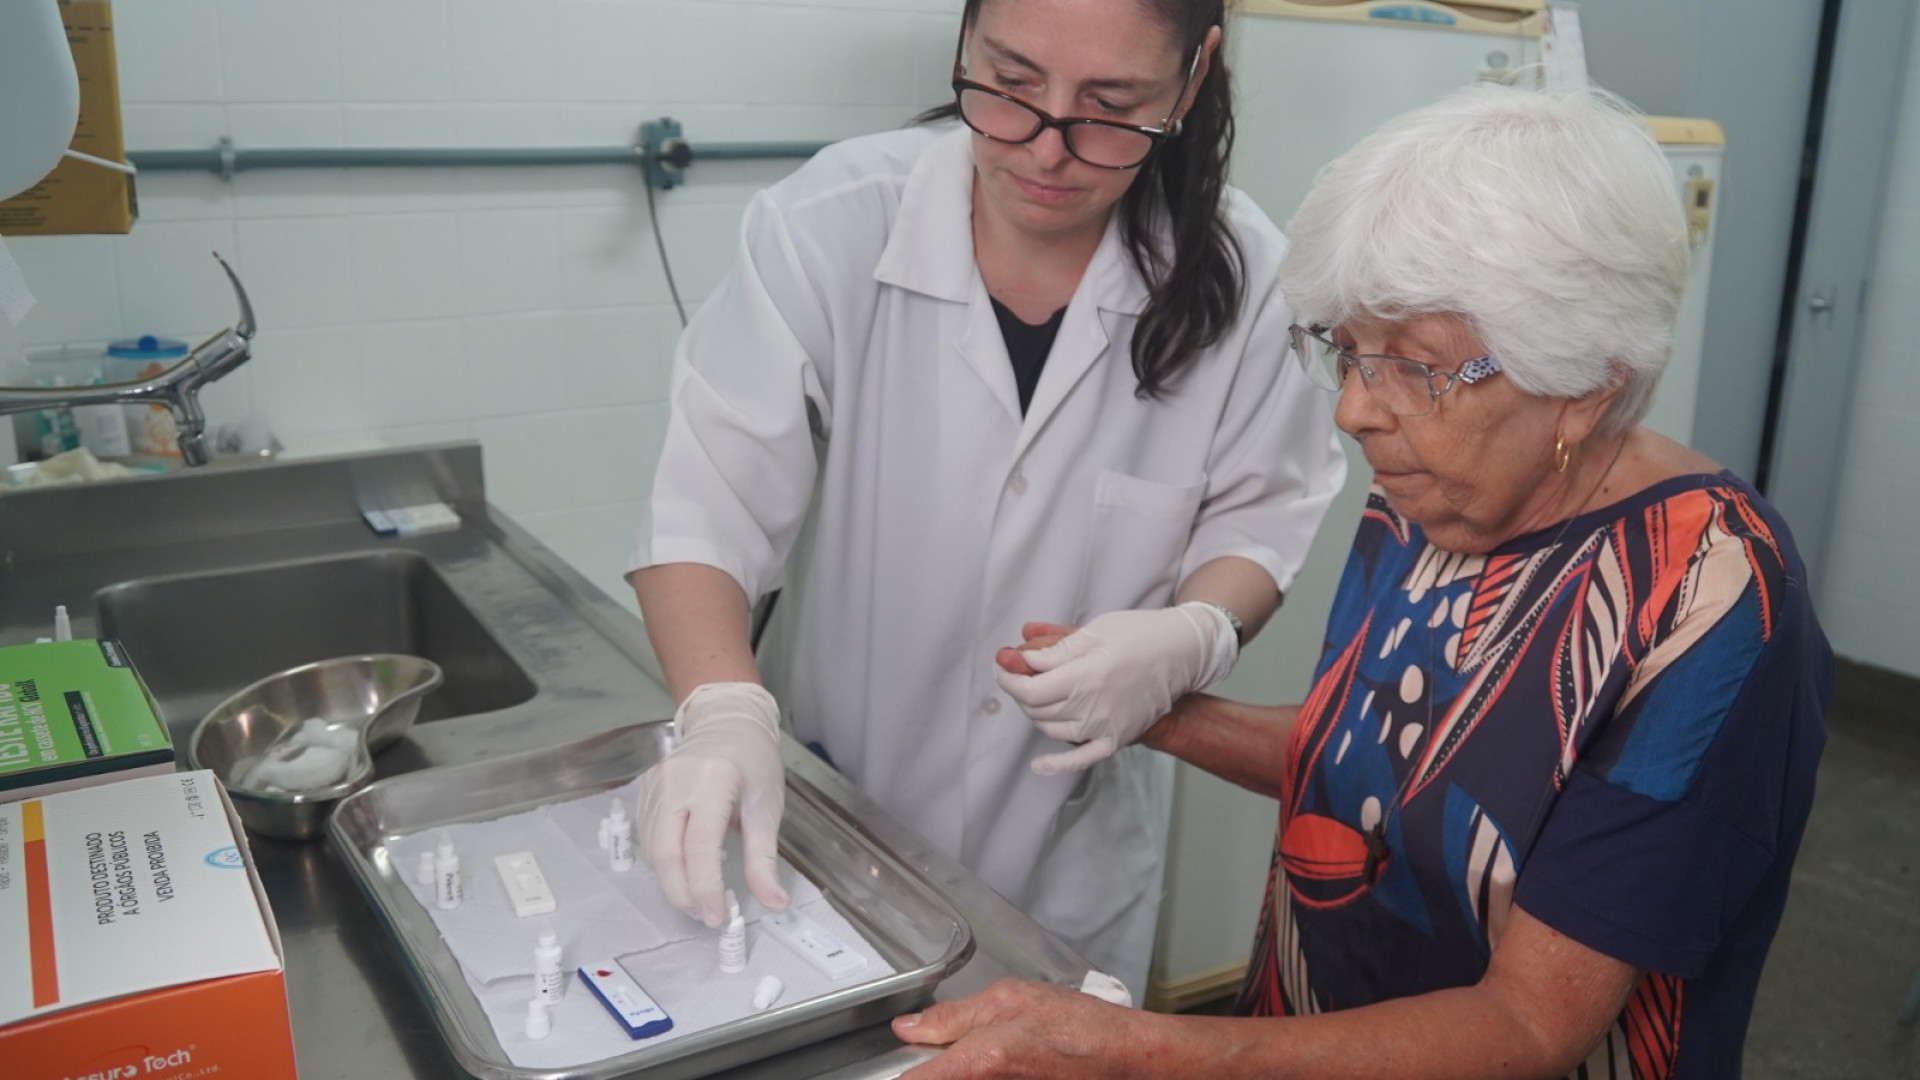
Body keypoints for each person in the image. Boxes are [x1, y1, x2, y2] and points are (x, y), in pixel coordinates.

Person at [892, 83, 1833, 1077]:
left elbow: (1528, 1028)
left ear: (1585, 385)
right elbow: (1388, 760)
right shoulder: (1437, 488)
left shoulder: (1707, 603)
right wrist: (1154, 707)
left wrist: (1137, 1049)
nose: (1353, 410)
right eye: (1346, 353)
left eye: (1413, 366)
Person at [626, 0, 1345, 996]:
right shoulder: (830, 223)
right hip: (840, 799)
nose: (1047, 150)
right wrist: (722, 710)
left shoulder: (1249, 276)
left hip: (1070, 850)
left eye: (1109, 107)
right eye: (1010, 85)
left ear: (1191, 78)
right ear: (966, 40)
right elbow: (704, 505)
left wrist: (1193, 635)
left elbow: (1263, 515)